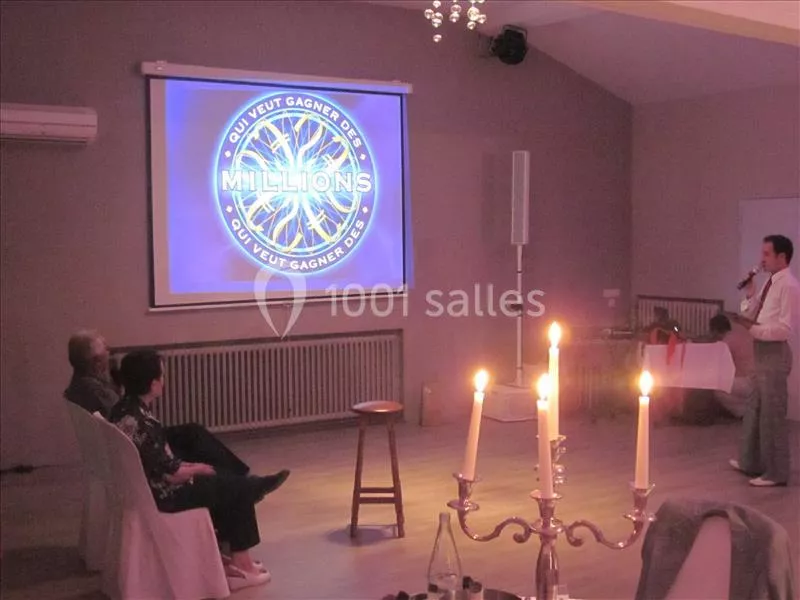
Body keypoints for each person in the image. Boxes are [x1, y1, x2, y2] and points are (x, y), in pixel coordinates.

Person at [110, 348, 290, 590]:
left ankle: (229, 555)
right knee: (236, 488)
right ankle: (242, 563)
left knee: (227, 481)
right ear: (152, 384)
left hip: (149, 488)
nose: (164, 380)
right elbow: (172, 474)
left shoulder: (123, 410)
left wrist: (195, 466)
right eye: (162, 376)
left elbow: (161, 460)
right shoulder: (143, 423)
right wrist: (198, 469)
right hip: (165, 495)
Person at [64, 329, 251, 477]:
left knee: (192, 433)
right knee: (193, 436)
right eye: (105, 350)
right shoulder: (96, 391)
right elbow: (127, 416)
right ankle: (236, 477)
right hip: (136, 449)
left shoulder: (80, 385)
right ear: (96, 362)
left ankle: (234, 476)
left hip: (126, 446)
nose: (109, 353)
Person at [729, 234, 800, 487]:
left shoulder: (789, 286)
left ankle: (776, 473)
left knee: (772, 413)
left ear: (782, 256)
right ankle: (751, 462)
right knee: (754, 407)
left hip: (775, 353)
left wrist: (754, 329)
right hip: (761, 351)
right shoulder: (770, 282)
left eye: (767, 254)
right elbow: (751, 312)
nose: (762, 259)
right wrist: (750, 292)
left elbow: (785, 329)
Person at [708, 314, 756, 418]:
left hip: (748, 383)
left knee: (716, 387)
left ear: (715, 331)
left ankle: (744, 413)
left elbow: (716, 364)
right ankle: (750, 410)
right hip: (757, 380)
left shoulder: (727, 342)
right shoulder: (739, 334)